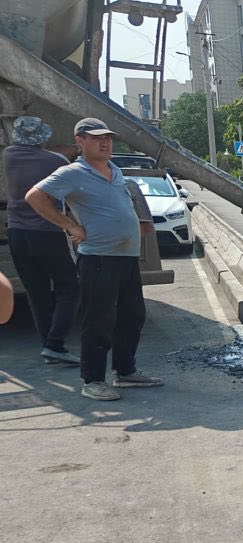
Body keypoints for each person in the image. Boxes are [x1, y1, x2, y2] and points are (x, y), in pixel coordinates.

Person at [25, 117, 163, 401]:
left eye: (108, 138)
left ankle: (125, 372)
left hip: (126, 257)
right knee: (99, 320)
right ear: (80, 141)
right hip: (99, 258)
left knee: (132, 316)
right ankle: (93, 381)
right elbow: (34, 196)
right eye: (97, 138)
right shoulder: (72, 173)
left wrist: (135, 223)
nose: (105, 143)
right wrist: (70, 226)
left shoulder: (114, 170)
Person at [2, 116, 79, 365]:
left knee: (37, 293)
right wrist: (76, 148)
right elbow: (59, 156)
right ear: (42, 137)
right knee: (69, 286)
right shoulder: (55, 161)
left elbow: (43, 151)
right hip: (48, 233)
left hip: (17, 234)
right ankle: (56, 343)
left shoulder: (9, 155)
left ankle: (49, 347)